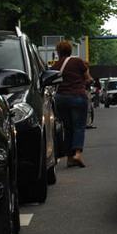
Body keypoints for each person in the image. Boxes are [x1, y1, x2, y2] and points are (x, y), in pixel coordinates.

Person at [52, 40, 91, 168]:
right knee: (79, 126)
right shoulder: (77, 61)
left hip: (61, 98)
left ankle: (69, 158)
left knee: (67, 128)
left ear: (58, 52)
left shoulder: (55, 66)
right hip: (77, 97)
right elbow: (87, 78)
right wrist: (80, 83)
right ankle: (78, 153)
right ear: (70, 50)